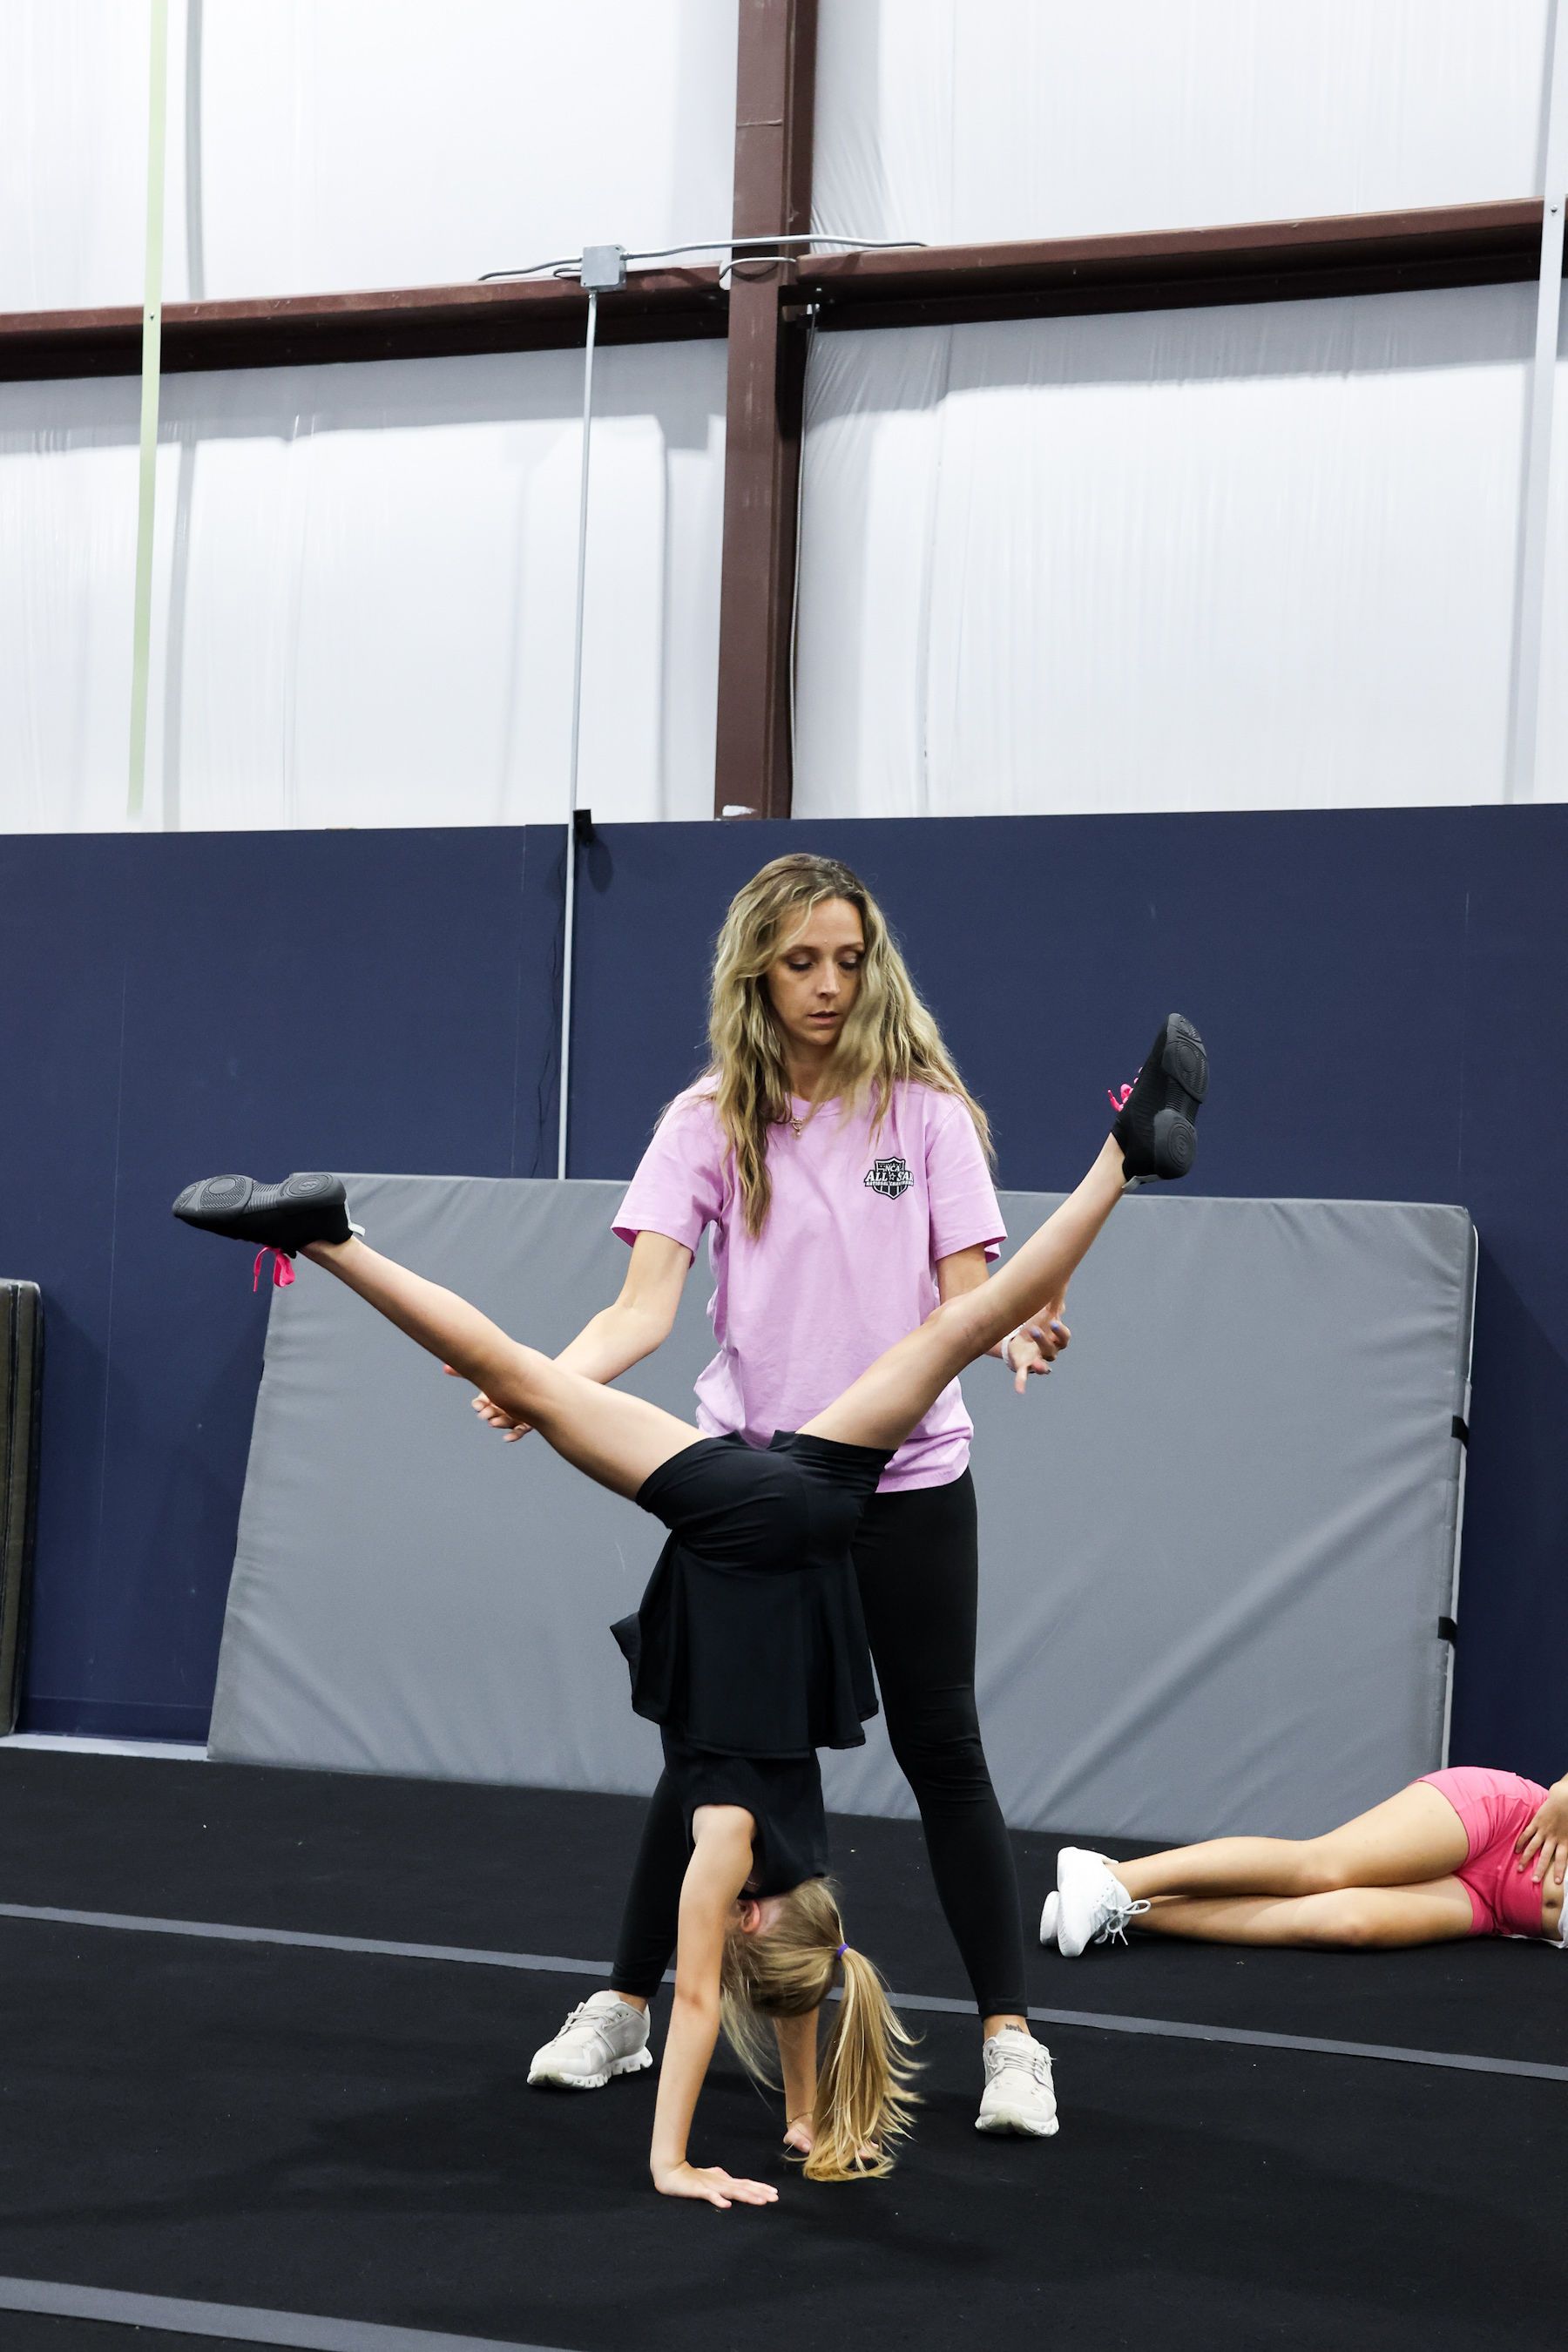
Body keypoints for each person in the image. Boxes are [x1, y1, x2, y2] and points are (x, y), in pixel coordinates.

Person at [172, 1008, 1207, 2207]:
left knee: (960, 1327)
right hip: (754, 1519)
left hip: (812, 1485)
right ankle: (337, 1242)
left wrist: (819, 2126)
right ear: (764, 1921)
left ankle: (1121, 1161)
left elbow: (774, 1992)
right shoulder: (734, 1857)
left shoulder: (802, 1876)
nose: (714, 1934)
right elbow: (710, 1994)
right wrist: (675, 2164)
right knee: (525, 1373)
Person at [481, 854, 1074, 2138]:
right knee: (712, 1764)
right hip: (752, 1494)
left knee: (944, 1751)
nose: (828, 984)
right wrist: (547, 1383)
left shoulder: (925, 1118)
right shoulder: (707, 1121)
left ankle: (1013, 2041)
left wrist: (1020, 1334)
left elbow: (973, 1301)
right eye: (802, 961)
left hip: (905, 1482)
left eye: (849, 960)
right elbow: (641, 1308)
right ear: (755, 969)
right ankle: (627, 2009)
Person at [1039, 1767, 1568, 1957]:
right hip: (1503, 1823)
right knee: (1324, 1867)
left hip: (1499, 1911)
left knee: (1345, 1925)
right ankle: (1114, 1878)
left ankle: (1113, 1910)